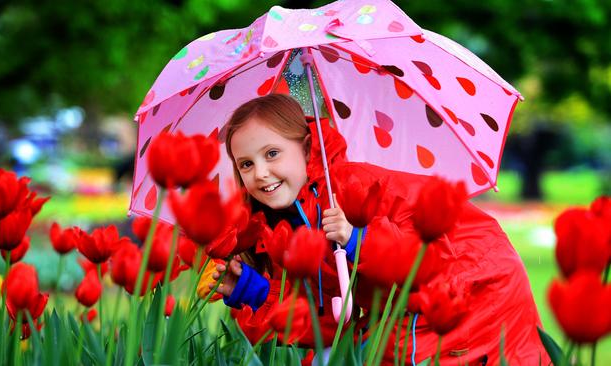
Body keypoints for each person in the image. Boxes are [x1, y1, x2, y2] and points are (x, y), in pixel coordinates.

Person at [205, 94, 548, 365]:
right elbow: (329, 322)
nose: (261, 173)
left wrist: (357, 240)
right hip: (407, 303)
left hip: (472, 279)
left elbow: (427, 257)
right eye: (247, 164)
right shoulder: (280, 228)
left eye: (272, 153)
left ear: (307, 148)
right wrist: (253, 291)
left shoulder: (354, 187)